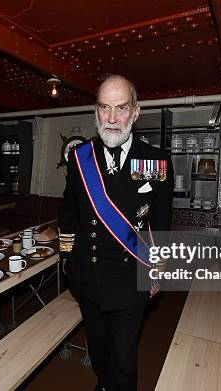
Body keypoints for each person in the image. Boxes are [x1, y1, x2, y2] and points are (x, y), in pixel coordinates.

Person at [58, 74, 173, 391]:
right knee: (99, 352)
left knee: (123, 359)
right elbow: (69, 212)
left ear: (135, 112)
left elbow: (160, 223)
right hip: (88, 275)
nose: (111, 118)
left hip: (131, 277)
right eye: (103, 108)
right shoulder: (80, 158)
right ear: (95, 111)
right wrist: (66, 258)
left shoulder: (154, 160)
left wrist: (157, 272)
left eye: (121, 108)